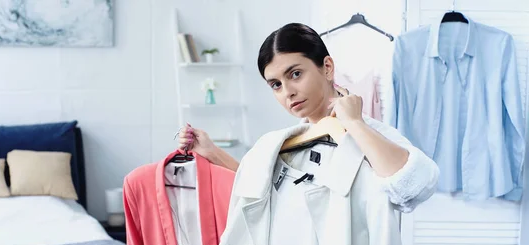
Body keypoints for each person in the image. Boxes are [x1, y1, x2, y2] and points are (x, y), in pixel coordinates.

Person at [177, 22, 439, 213]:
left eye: (295, 74)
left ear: (327, 67)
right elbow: (257, 184)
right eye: (276, 85)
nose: (288, 92)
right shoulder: (286, 143)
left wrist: (355, 124)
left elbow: (416, 186)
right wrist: (210, 151)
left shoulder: (368, 132)